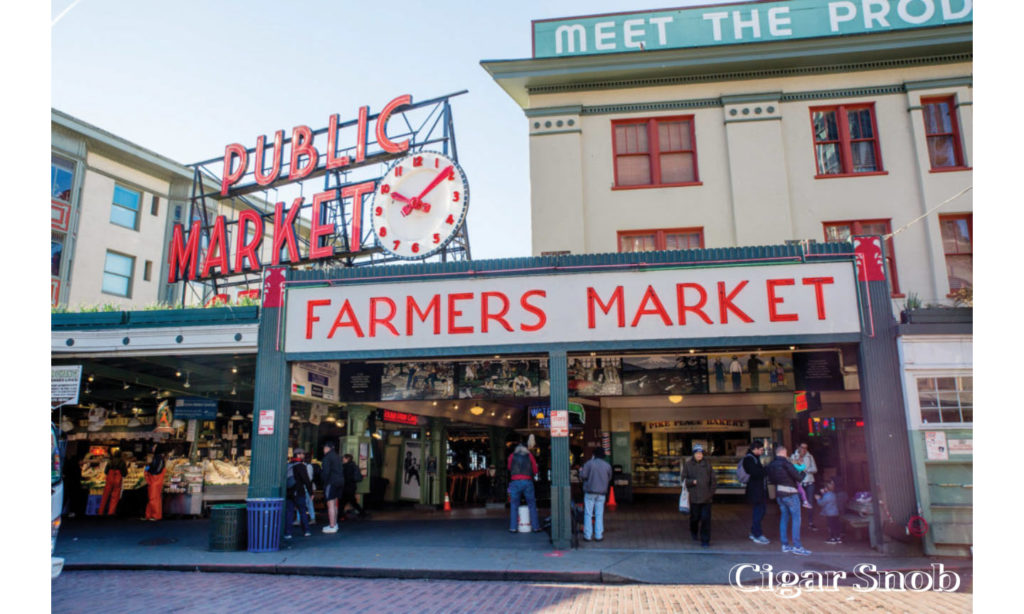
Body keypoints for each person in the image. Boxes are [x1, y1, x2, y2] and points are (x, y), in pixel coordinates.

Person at [767, 445, 811, 555]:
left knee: (784, 518)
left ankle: (785, 545)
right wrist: (804, 470)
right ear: (784, 453)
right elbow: (799, 478)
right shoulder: (786, 464)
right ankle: (797, 546)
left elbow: (771, 480)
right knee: (796, 519)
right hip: (791, 493)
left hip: (779, 494)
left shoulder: (771, 465)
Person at [681, 444, 716, 548]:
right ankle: (694, 531)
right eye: (697, 453)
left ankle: (705, 540)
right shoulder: (688, 465)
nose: (699, 455)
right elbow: (683, 480)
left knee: (706, 519)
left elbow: (713, 481)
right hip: (694, 497)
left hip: (706, 498)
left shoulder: (708, 465)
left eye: (701, 453)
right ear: (694, 454)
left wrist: (710, 493)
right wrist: (692, 482)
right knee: (695, 518)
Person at [578, 448, 612, 542]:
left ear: (594, 455)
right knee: (599, 514)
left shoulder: (589, 464)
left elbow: (583, 476)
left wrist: (580, 471)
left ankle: (588, 535)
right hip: (601, 493)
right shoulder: (607, 465)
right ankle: (598, 535)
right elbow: (609, 478)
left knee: (588, 514)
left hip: (590, 492)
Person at [507, 443, 542, 533]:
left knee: (514, 505)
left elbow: (509, 467)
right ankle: (535, 527)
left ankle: (513, 527)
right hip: (527, 481)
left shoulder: (512, 456)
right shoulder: (529, 456)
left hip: (515, 482)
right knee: (532, 504)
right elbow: (535, 469)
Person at [742, 440, 770, 545]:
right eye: (761, 449)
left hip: (758, 490)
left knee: (761, 511)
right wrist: (766, 469)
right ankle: (757, 534)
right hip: (756, 491)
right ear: (755, 449)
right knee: (759, 511)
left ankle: (754, 531)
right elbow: (756, 473)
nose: (762, 451)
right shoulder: (749, 459)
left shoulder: (754, 458)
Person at [284, 449, 313, 539]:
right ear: (298, 455)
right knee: (302, 511)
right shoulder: (301, 466)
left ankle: (288, 532)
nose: (303, 455)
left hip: (289, 492)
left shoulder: (288, 465)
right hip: (299, 492)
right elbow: (306, 480)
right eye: (302, 454)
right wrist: (311, 492)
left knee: (289, 512)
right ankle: (306, 531)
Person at [791, 442, 819, 530]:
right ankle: (797, 523)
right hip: (799, 483)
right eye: (802, 447)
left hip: (809, 482)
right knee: (797, 503)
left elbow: (815, 469)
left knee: (810, 503)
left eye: (806, 448)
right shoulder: (793, 456)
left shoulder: (810, 457)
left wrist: (806, 469)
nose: (804, 449)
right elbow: (791, 469)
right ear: (799, 447)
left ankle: (810, 522)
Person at [320, 441, 345, 533]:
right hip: (340, 481)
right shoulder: (338, 457)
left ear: (327, 448)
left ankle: (332, 525)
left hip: (331, 482)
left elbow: (325, 472)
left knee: (330, 503)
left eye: (324, 448)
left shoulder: (327, 457)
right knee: (335, 503)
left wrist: (324, 482)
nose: (323, 450)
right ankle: (335, 524)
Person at [100, 451, 128, 516]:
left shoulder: (110, 461)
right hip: (118, 479)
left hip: (110, 477)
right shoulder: (122, 462)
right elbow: (124, 473)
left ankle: (100, 512)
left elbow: (106, 471)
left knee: (105, 496)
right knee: (115, 497)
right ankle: (111, 513)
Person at [815, 478, 842, 544]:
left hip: (830, 514)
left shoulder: (827, 495)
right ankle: (838, 538)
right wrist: (824, 494)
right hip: (835, 513)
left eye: (824, 488)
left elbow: (821, 503)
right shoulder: (833, 494)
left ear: (826, 488)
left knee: (831, 526)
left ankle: (832, 538)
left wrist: (818, 499)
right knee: (836, 526)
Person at [340, 453, 367, 519]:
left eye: (344, 458)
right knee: (351, 501)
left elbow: (345, 477)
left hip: (346, 487)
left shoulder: (345, 467)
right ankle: (362, 512)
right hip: (352, 487)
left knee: (343, 502)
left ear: (347, 459)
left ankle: (340, 515)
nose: (343, 459)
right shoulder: (354, 466)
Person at [143, 444, 166, 521]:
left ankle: (155, 516)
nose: (152, 448)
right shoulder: (157, 457)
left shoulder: (159, 458)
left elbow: (157, 470)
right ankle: (149, 515)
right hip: (154, 480)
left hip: (155, 480)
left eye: (154, 447)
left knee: (153, 499)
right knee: (151, 499)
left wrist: (148, 469)